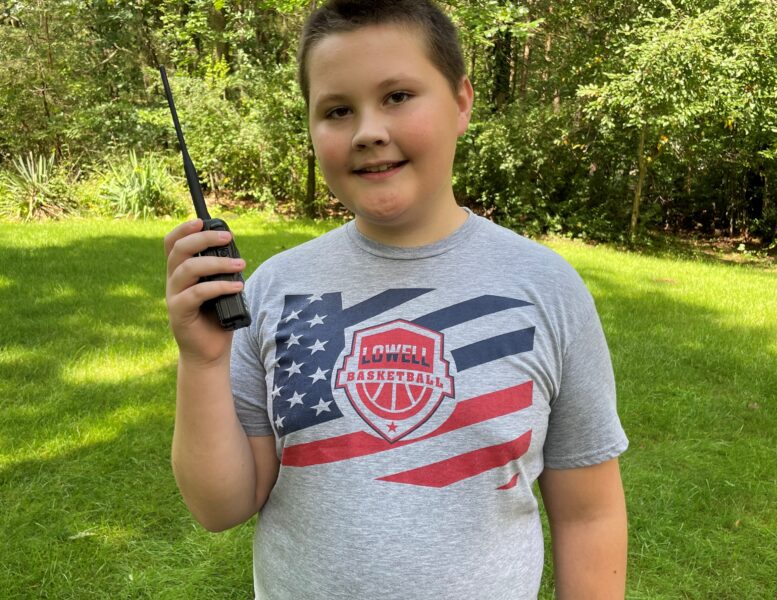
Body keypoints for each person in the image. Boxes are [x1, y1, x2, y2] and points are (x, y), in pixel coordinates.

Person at [164, 0, 628, 598]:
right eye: (337, 110)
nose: (368, 132)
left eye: (398, 96)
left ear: (461, 102)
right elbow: (220, 506)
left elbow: (589, 514)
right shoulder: (277, 290)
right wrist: (202, 361)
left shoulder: (546, 289)